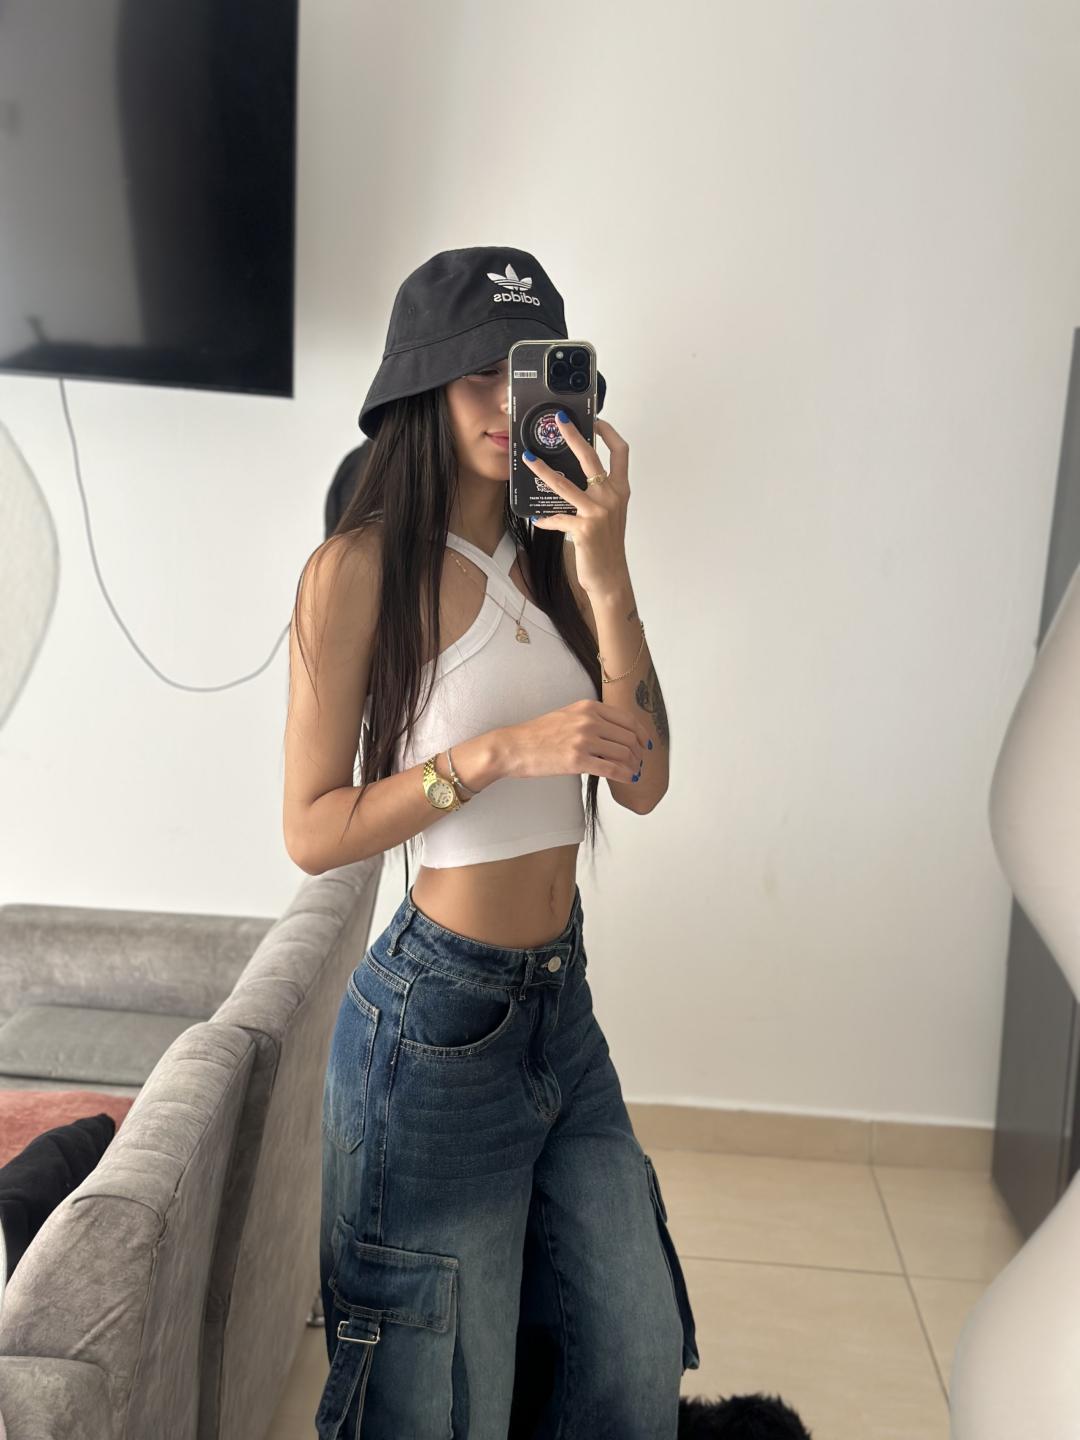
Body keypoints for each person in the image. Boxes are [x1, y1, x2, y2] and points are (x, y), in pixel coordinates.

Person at [283, 246, 698, 1440]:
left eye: (526, 372)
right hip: (433, 1025)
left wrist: (608, 576)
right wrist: (499, 754)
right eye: (476, 373)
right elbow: (312, 829)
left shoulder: (564, 564)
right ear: (419, 388)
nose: (503, 401)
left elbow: (647, 783)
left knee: (634, 1351)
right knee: (438, 1402)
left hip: (560, 1006)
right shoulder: (355, 570)